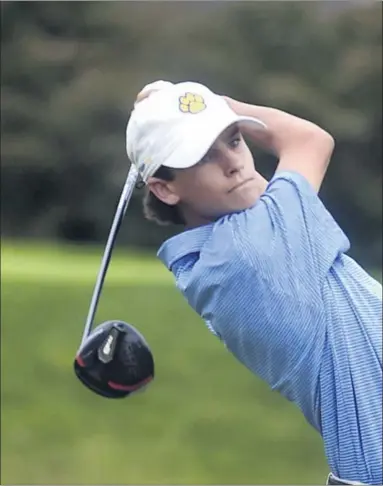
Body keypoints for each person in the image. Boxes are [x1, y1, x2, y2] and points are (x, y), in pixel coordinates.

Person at [125, 80, 382, 486]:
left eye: (234, 140)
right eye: (204, 156)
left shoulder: (220, 249)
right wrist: (222, 104)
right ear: (164, 188)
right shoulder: (248, 251)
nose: (234, 163)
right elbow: (310, 140)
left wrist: (195, 107)